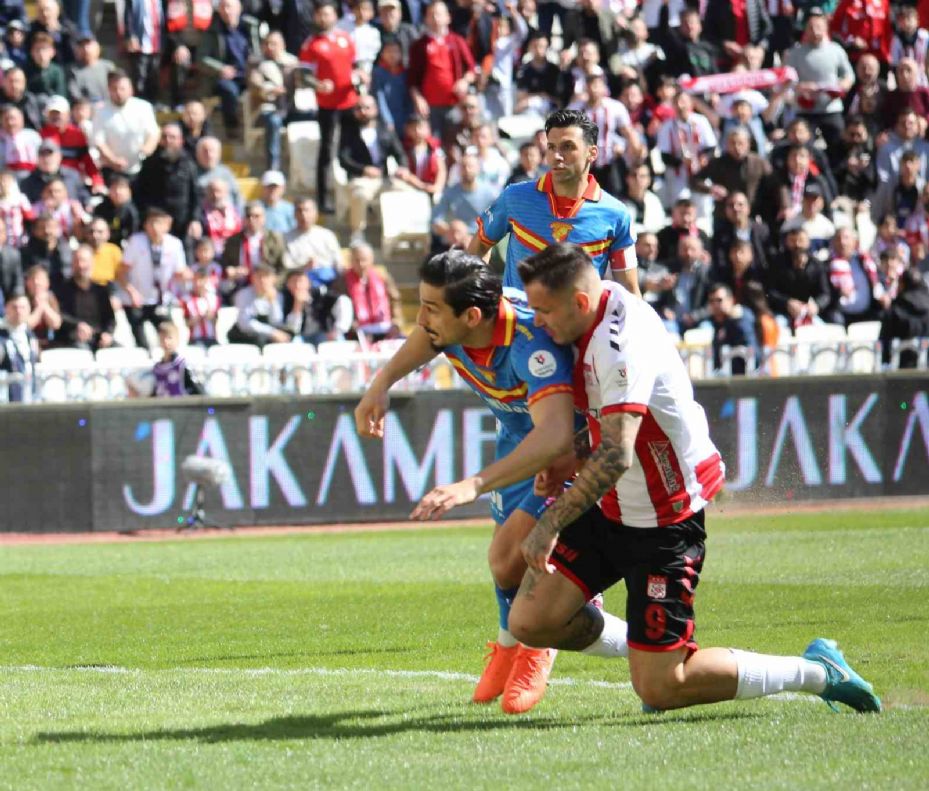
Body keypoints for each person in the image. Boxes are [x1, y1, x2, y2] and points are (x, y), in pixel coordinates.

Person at [510, 241, 882, 716]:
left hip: (663, 524)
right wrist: (572, 455)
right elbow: (613, 428)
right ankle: (649, 651)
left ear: (579, 303)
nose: (538, 322)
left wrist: (550, 523)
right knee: (530, 618)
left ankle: (817, 671)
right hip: (610, 510)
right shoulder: (588, 310)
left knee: (661, 691)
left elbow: (620, 453)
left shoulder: (619, 342)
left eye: (544, 311)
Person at [355, 249, 618, 715]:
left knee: (509, 556)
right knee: (502, 565)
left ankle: (538, 648)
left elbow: (555, 434)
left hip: (564, 449)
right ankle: (509, 647)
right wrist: (381, 384)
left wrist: (471, 485)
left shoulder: (529, 345)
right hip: (517, 439)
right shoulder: (450, 325)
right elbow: (425, 338)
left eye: (431, 308)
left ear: (472, 315)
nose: (423, 319)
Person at [470, 109, 640, 297]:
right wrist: (482, 298)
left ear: (592, 153)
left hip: (579, 327)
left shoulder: (616, 215)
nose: (557, 156)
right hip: (518, 325)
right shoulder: (514, 197)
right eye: (551, 147)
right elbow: (478, 246)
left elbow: (630, 291)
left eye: (567, 147)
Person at [298, 1, 362, 214]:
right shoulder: (312, 43)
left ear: (335, 15)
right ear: (316, 17)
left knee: (352, 146)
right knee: (327, 151)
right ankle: (324, 198)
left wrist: (361, 75)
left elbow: (357, 64)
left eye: (328, 14)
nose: (324, 18)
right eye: (320, 15)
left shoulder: (345, 38)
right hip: (328, 105)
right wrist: (319, 85)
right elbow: (303, 75)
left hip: (349, 101)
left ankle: (356, 190)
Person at [119, 207, 189, 349]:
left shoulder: (174, 244)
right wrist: (131, 292)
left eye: (159, 223)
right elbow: (120, 272)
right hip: (136, 300)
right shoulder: (136, 242)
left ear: (167, 224)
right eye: (151, 223)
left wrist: (187, 276)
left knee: (169, 334)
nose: (155, 228)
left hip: (161, 299)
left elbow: (180, 271)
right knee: (141, 342)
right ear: (145, 225)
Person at [133, 122, 200, 239]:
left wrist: (195, 219)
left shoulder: (189, 165)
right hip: (155, 226)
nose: (168, 140)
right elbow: (139, 193)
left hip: (181, 226)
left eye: (172, 137)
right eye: (164, 137)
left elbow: (196, 195)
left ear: (181, 141)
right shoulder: (150, 164)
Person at [92, 69, 160, 179]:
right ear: (109, 90)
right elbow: (99, 142)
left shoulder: (144, 107)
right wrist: (113, 160)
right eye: (115, 89)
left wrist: (147, 149)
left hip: (141, 166)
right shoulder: (100, 111)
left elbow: (154, 133)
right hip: (112, 169)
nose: (119, 93)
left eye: (122, 89)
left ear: (130, 89)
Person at [198, 0, 252, 135]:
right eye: (223, 7)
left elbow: (256, 54)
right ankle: (231, 127)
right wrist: (220, 68)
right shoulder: (212, 31)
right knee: (228, 90)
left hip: (247, 75)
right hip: (224, 78)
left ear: (239, 9)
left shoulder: (248, 29)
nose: (227, 11)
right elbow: (201, 59)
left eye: (230, 7)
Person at [53, 243, 115, 351]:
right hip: (72, 340)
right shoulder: (62, 289)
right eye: (77, 261)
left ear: (92, 263)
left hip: (99, 339)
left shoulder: (101, 290)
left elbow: (110, 319)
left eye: (84, 261)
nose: (80, 265)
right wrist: (77, 325)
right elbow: (61, 315)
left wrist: (108, 334)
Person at [344, 240, 402, 342]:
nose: (361, 264)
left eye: (364, 260)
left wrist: (396, 322)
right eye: (357, 260)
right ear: (351, 260)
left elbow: (395, 300)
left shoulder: (382, 276)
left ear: (371, 259)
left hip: (385, 328)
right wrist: (351, 325)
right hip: (357, 333)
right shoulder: (342, 280)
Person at [228, 263, 289, 346]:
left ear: (274, 279)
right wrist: (271, 332)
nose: (262, 280)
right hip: (246, 335)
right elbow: (245, 323)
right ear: (253, 278)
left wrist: (273, 302)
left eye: (266, 276)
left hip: (270, 333)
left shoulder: (278, 296)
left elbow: (277, 322)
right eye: (259, 276)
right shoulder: (243, 295)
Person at [283, 196, 342, 275]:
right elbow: (286, 266)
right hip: (299, 279)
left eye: (307, 210)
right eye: (299, 211)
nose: (303, 215)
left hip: (327, 279)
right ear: (294, 214)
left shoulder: (327, 235)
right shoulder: (286, 237)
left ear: (315, 213)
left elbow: (338, 263)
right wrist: (304, 266)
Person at [0, 292, 39, 402]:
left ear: (29, 310)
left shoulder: (31, 336)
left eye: (23, 307)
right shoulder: (2, 336)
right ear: (6, 309)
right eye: (14, 307)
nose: (19, 311)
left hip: (29, 396)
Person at [151, 321, 204, 397]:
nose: (166, 342)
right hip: (162, 408)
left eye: (169, 338)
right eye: (162, 338)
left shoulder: (183, 366)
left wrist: (210, 409)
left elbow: (199, 393)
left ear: (177, 340)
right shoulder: (156, 369)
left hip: (180, 408)